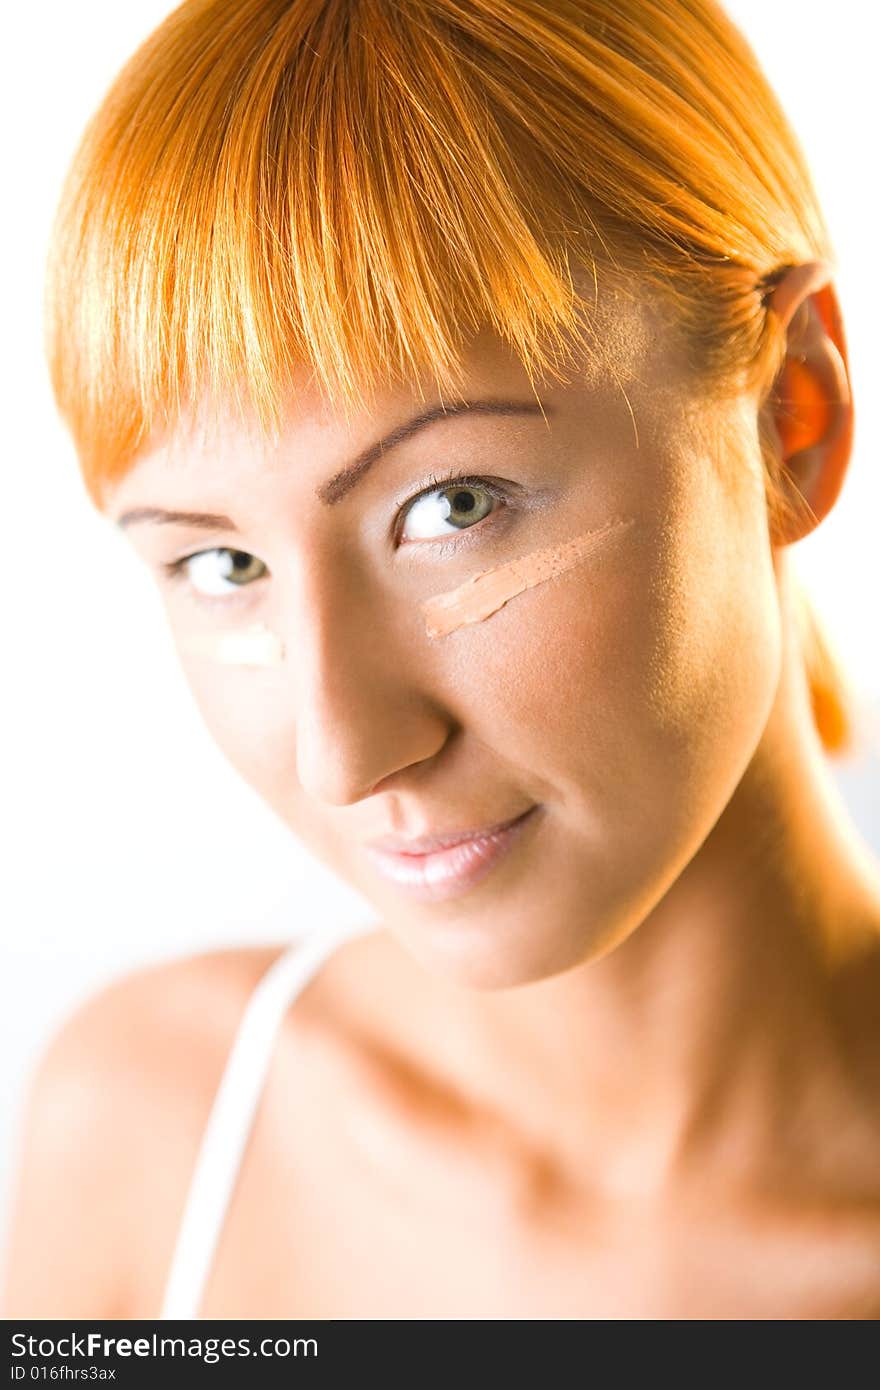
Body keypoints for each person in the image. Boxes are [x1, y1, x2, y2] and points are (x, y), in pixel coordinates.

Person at [3, 0, 879, 1319]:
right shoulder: (151, 1137)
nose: (343, 749)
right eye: (221, 564)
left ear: (791, 419)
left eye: (454, 506)